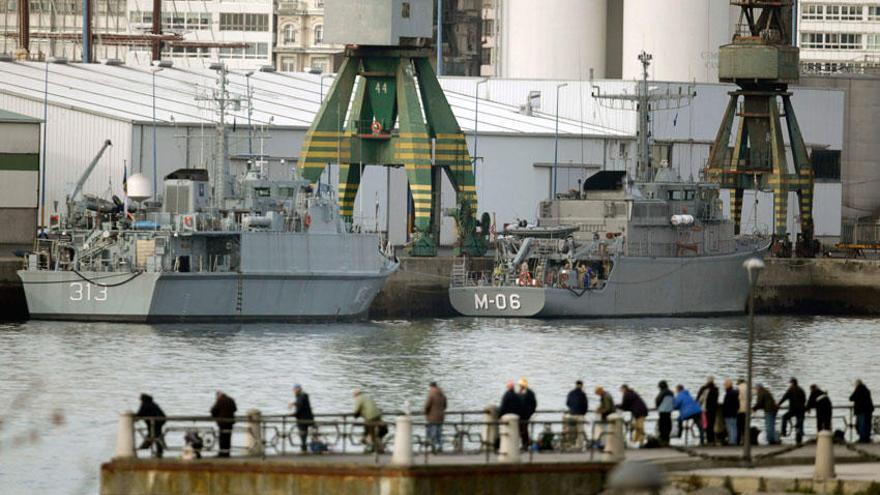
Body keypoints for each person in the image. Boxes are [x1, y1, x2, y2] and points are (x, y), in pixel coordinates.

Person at [353, 389, 385, 453]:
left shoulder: (359, 399)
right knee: (372, 431)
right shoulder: (367, 397)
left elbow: (355, 411)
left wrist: (355, 415)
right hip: (377, 416)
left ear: (355, 395)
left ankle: (372, 447)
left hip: (370, 417)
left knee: (370, 431)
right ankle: (375, 444)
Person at [135, 394, 166, 458]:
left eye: (140, 400)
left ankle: (145, 447)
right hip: (159, 421)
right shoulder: (153, 403)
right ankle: (157, 450)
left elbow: (140, 414)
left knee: (155, 435)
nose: (140, 401)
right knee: (156, 435)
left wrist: (134, 418)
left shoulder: (145, 404)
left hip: (155, 422)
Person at [778, 378, 806, 445]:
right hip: (801, 409)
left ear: (793, 383)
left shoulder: (790, 390)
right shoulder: (801, 390)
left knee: (784, 417)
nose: (789, 385)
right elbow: (804, 399)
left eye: (790, 383)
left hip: (793, 409)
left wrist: (778, 404)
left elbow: (784, 398)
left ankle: (783, 432)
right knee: (800, 421)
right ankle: (800, 434)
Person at [210, 391, 237, 457]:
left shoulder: (220, 401)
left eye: (216, 397)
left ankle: (222, 453)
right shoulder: (231, 400)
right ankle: (227, 453)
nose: (216, 398)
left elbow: (213, 410)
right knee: (228, 438)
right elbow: (235, 409)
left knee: (222, 438)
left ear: (218, 396)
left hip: (222, 423)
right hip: (230, 422)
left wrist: (215, 417)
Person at [288, 384, 313, 453]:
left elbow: (300, 408)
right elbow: (300, 403)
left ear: (297, 389)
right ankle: (304, 448)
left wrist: (293, 414)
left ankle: (303, 449)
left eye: (294, 390)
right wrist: (293, 404)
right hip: (308, 418)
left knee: (303, 434)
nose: (293, 391)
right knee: (304, 434)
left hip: (303, 419)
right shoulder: (303, 395)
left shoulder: (301, 396)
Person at [424, 381, 447, 453]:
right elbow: (445, 405)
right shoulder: (442, 394)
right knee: (439, 432)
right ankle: (440, 446)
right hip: (441, 417)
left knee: (433, 432)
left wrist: (425, 412)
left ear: (431, 386)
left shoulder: (431, 394)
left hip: (432, 417)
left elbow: (427, 405)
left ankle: (433, 447)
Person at [850, 379, 875, 444]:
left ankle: (862, 439)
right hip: (868, 410)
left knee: (861, 425)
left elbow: (851, 398)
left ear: (857, 384)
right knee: (866, 425)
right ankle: (866, 438)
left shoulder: (858, 390)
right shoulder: (866, 390)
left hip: (861, 411)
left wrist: (855, 390)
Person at [697, 376, 720, 445]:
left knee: (705, 425)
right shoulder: (716, 389)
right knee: (711, 425)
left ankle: (704, 440)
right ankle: (711, 440)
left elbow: (699, 399)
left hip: (704, 410)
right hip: (713, 410)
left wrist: (696, 405)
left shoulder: (704, 389)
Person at [518, 378, 537, 451]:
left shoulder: (530, 393)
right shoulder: (520, 392)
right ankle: (526, 443)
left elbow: (534, 404)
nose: (520, 386)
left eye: (521, 385)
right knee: (521, 430)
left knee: (524, 429)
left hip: (526, 415)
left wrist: (530, 412)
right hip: (520, 415)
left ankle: (525, 444)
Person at [655, 381, 675, 445]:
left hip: (662, 411)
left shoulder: (662, 392)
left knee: (662, 425)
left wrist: (657, 407)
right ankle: (667, 438)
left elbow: (658, 400)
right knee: (668, 424)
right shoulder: (671, 392)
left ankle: (663, 438)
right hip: (669, 411)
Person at [721, 379, 740, 446]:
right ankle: (733, 440)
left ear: (727, 385)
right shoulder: (735, 393)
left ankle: (731, 441)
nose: (724, 386)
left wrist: (724, 412)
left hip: (728, 414)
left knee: (730, 427)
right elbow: (737, 404)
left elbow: (726, 405)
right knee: (734, 427)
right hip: (734, 413)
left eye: (725, 385)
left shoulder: (728, 394)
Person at [736, 379, 748, 446]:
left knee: (738, 427)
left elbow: (737, 400)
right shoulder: (747, 389)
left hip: (740, 410)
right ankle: (745, 441)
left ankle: (738, 441)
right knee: (744, 427)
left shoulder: (739, 389)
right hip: (746, 411)